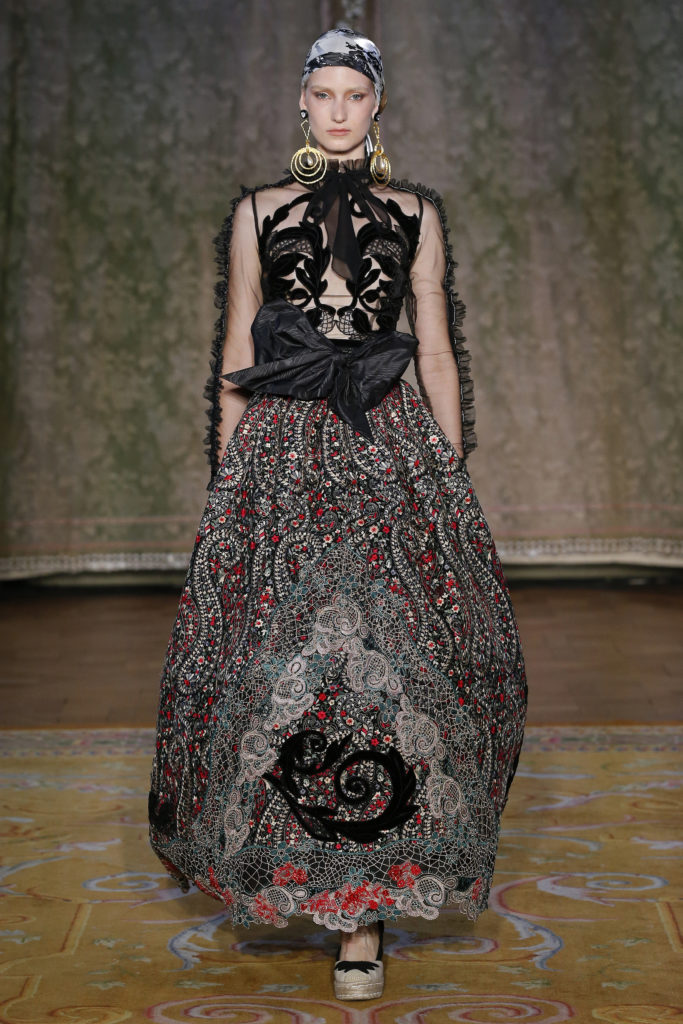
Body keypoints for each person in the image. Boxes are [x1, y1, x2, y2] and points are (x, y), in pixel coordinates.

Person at [148, 26, 527, 1002]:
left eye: (353, 95)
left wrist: (448, 473)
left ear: (376, 106)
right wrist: (227, 478)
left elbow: (433, 347)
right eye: (322, 94)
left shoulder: (416, 213)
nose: (338, 111)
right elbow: (236, 347)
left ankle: (364, 911)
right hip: (281, 446)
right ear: (301, 104)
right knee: (285, 662)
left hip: (387, 442)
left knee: (390, 657)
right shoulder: (256, 212)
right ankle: (297, 868)